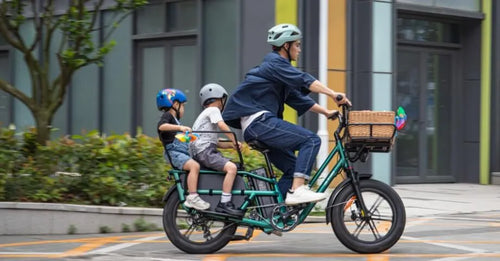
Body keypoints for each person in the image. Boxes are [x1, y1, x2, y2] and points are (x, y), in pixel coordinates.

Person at [222, 23, 351, 205]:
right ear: (285, 46)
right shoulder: (274, 63)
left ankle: (275, 211)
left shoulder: (277, 73)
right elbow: (303, 79)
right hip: (259, 123)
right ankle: (297, 190)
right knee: (311, 140)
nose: (299, 50)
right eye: (297, 45)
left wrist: (325, 112)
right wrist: (333, 94)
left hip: (258, 127)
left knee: (292, 168)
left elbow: (298, 98)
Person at [190, 83, 244, 216]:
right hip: (205, 152)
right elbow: (222, 125)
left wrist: (232, 145)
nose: (223, 103)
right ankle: (224, 203)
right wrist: (232, 137)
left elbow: (216, 142)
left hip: (203, 151)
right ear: (218, 99)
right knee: (231, 168)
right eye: (223, 100)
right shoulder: (213, 110)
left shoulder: (205, 115)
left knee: (233, 166)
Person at [156, 88, 210, 211]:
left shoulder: (176, 121)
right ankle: (193, 197)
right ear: (175, 104)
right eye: (183, 106)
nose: (183, 109)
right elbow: (161, 126)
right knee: (194, 166)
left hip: (179, 152)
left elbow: (183, 139)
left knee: (196, 166)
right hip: (174, 153)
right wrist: (181, 128)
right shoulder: (168, 116)